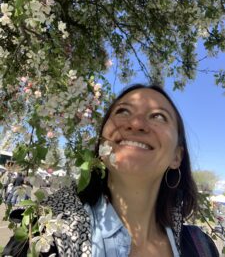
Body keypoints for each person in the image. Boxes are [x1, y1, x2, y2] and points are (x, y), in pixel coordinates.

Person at [3, 84, 219, 256]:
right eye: (123, 111)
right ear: (101, 146)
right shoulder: (42, 231)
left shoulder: (201, 247)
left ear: (177, 156)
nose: (135, 123)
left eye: (158, 116)